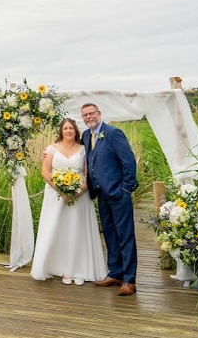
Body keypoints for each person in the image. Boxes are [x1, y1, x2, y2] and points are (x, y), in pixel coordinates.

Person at [30, 118, 107, 284]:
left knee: (77, 230)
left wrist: (78, 192)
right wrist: (60, 190)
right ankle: (62, 269)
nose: (68, 131)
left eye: (71, 128)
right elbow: (45, 171)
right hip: (55, 195)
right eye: (65, 128)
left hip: (80, 195)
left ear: (75, 130)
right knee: (58, 229)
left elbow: (87, 173)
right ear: (61, 131)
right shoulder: (51, 148)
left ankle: (79, 270)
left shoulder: (83, 149)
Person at [81, 102, 139, 296]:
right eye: (85, 115)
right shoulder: (86, 135)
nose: (89, 117)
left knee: (125, 236)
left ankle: (129, 280)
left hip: (118, 194)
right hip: (101, 195)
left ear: (99, 113)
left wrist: (125, 188)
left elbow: (128, 162)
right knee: (110, 234)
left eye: (91, 113)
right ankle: (115, 273)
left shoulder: (114, 133)